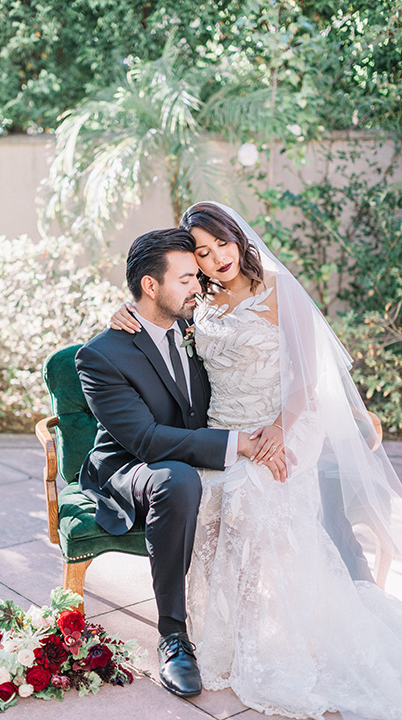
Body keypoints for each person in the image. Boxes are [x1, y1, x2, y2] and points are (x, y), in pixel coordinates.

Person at [110, 202, 402, 720]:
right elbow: (158, 309)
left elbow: (306, 381)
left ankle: (266, 635)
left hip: (286, 418)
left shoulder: (278, 289)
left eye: (221, 243)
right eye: (201, 252)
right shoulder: (201, 299)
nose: (216, 257)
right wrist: (124, 311)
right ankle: (217, 633)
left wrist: (279, 430)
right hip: (225, 425)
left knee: (251, 495)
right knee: (209, 504)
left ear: (238, 237)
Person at [75, 228, 289, 700]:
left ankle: (252, 622)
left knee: (259, 487)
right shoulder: (102, 356)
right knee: (179, 479)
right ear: (150, 287)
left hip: (195, 448)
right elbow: (146, 441)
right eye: (188, 277)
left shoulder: (195, 325)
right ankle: (173, 636)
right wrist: (241, 444)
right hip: (130, 464)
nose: (200, 286)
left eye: (198, 275)